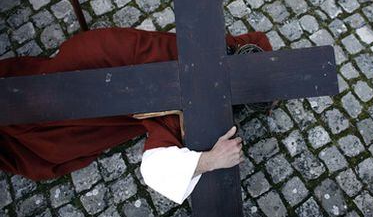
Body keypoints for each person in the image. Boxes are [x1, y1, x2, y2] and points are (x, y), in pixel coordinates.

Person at [0, 27, 271, 203]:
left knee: (46, 127)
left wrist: (208, 160)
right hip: (97, 60)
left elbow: (156, 168)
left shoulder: (182, 107)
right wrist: (210, 161)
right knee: (41, 117)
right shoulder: (182, 95)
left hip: (102, 64)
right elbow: (155, 169)